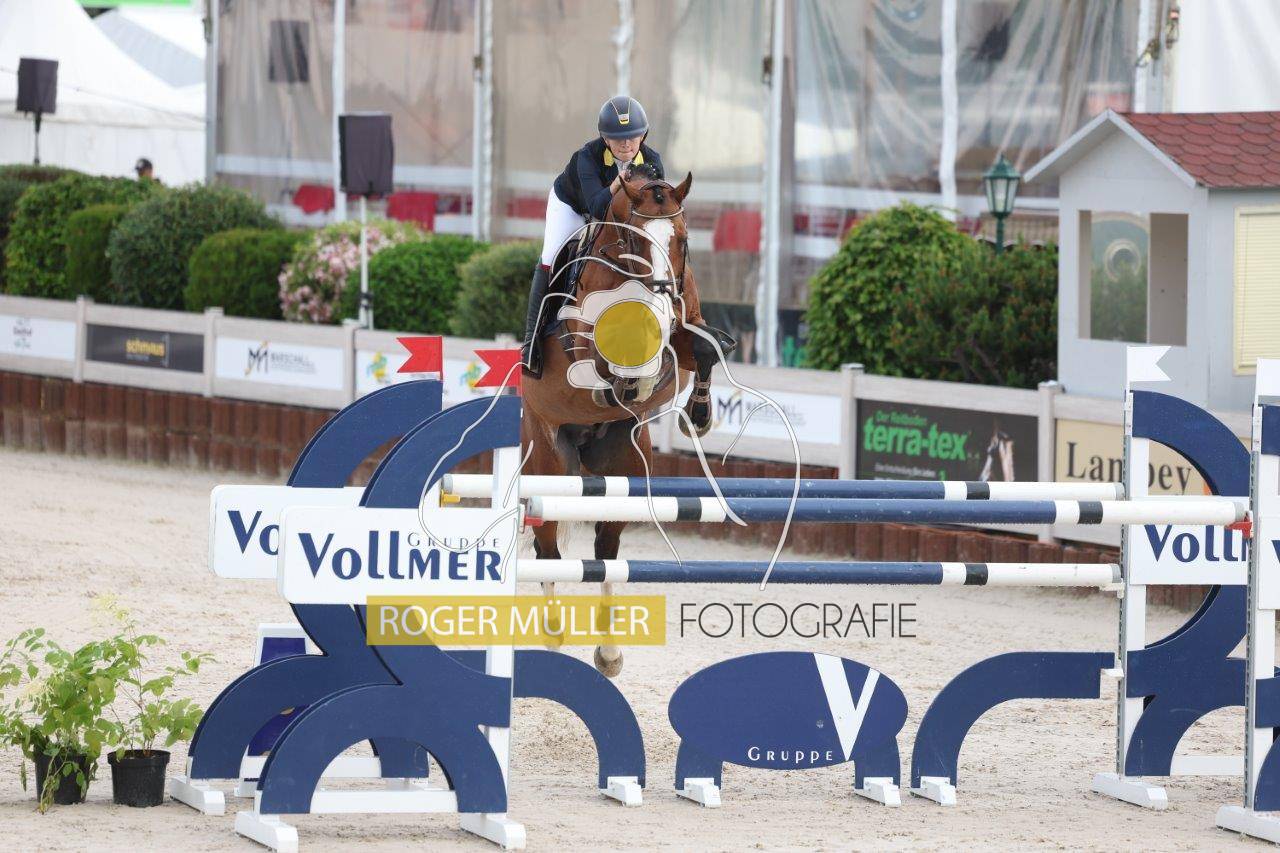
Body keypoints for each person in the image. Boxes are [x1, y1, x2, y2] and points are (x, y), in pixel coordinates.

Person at [522, 95, 665, 377]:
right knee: (551, 257)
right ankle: (531, 341)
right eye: (618, 138)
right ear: (605, 138)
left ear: (643, 135)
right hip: (572, 206)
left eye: (633, 137)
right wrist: (618, 184)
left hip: (619, 216)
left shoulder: (653, 161)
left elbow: (655, 209)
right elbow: (596, 208)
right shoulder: (586, 157)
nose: (626, 144)